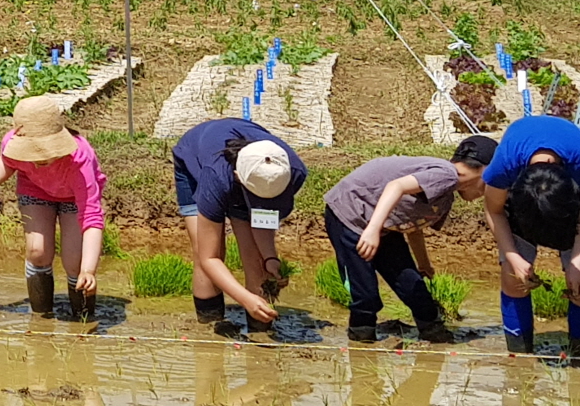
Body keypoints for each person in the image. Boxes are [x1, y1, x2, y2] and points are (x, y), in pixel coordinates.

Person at [322, 137, 490, 344]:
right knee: (365, 294)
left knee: (414, 287)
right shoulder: (447, 175)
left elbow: (413, 227)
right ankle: (361, 340)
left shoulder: (445, 196)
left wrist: (423, 263)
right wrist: (372, 229)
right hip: (351, 215)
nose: (487, 192)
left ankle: (433, 332)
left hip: (383, 225)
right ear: (485, 171)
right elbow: (396, 186)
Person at [0, 95, 105, 321]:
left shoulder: (78, 159)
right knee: (37, 251)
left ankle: (82, 317)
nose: (37, 159)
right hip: (35, 189)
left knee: (75, 260)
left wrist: (89, 270)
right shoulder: (11, 143)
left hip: (74, 198)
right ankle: (41, 317)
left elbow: (91, 217)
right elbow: (7, 162)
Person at [171, 117, 307, 336]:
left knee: (255, 256)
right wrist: (245, 298)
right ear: (239, 179)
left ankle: (259, 330)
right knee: (206, 249)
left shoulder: (291, 170)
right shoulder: (216, 177)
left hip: (245, 174)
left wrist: (270, 258)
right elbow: (209, 258)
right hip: (193, 159)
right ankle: (209, 326)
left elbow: (263, 215)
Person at [479, 114, 580, 356]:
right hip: (522, 204)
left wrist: (576, 259)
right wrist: (513, 257)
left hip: (569, 212)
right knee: (512, 276)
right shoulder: (504, 166)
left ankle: (577, 353)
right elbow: (493, 211)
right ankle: (519, 356)